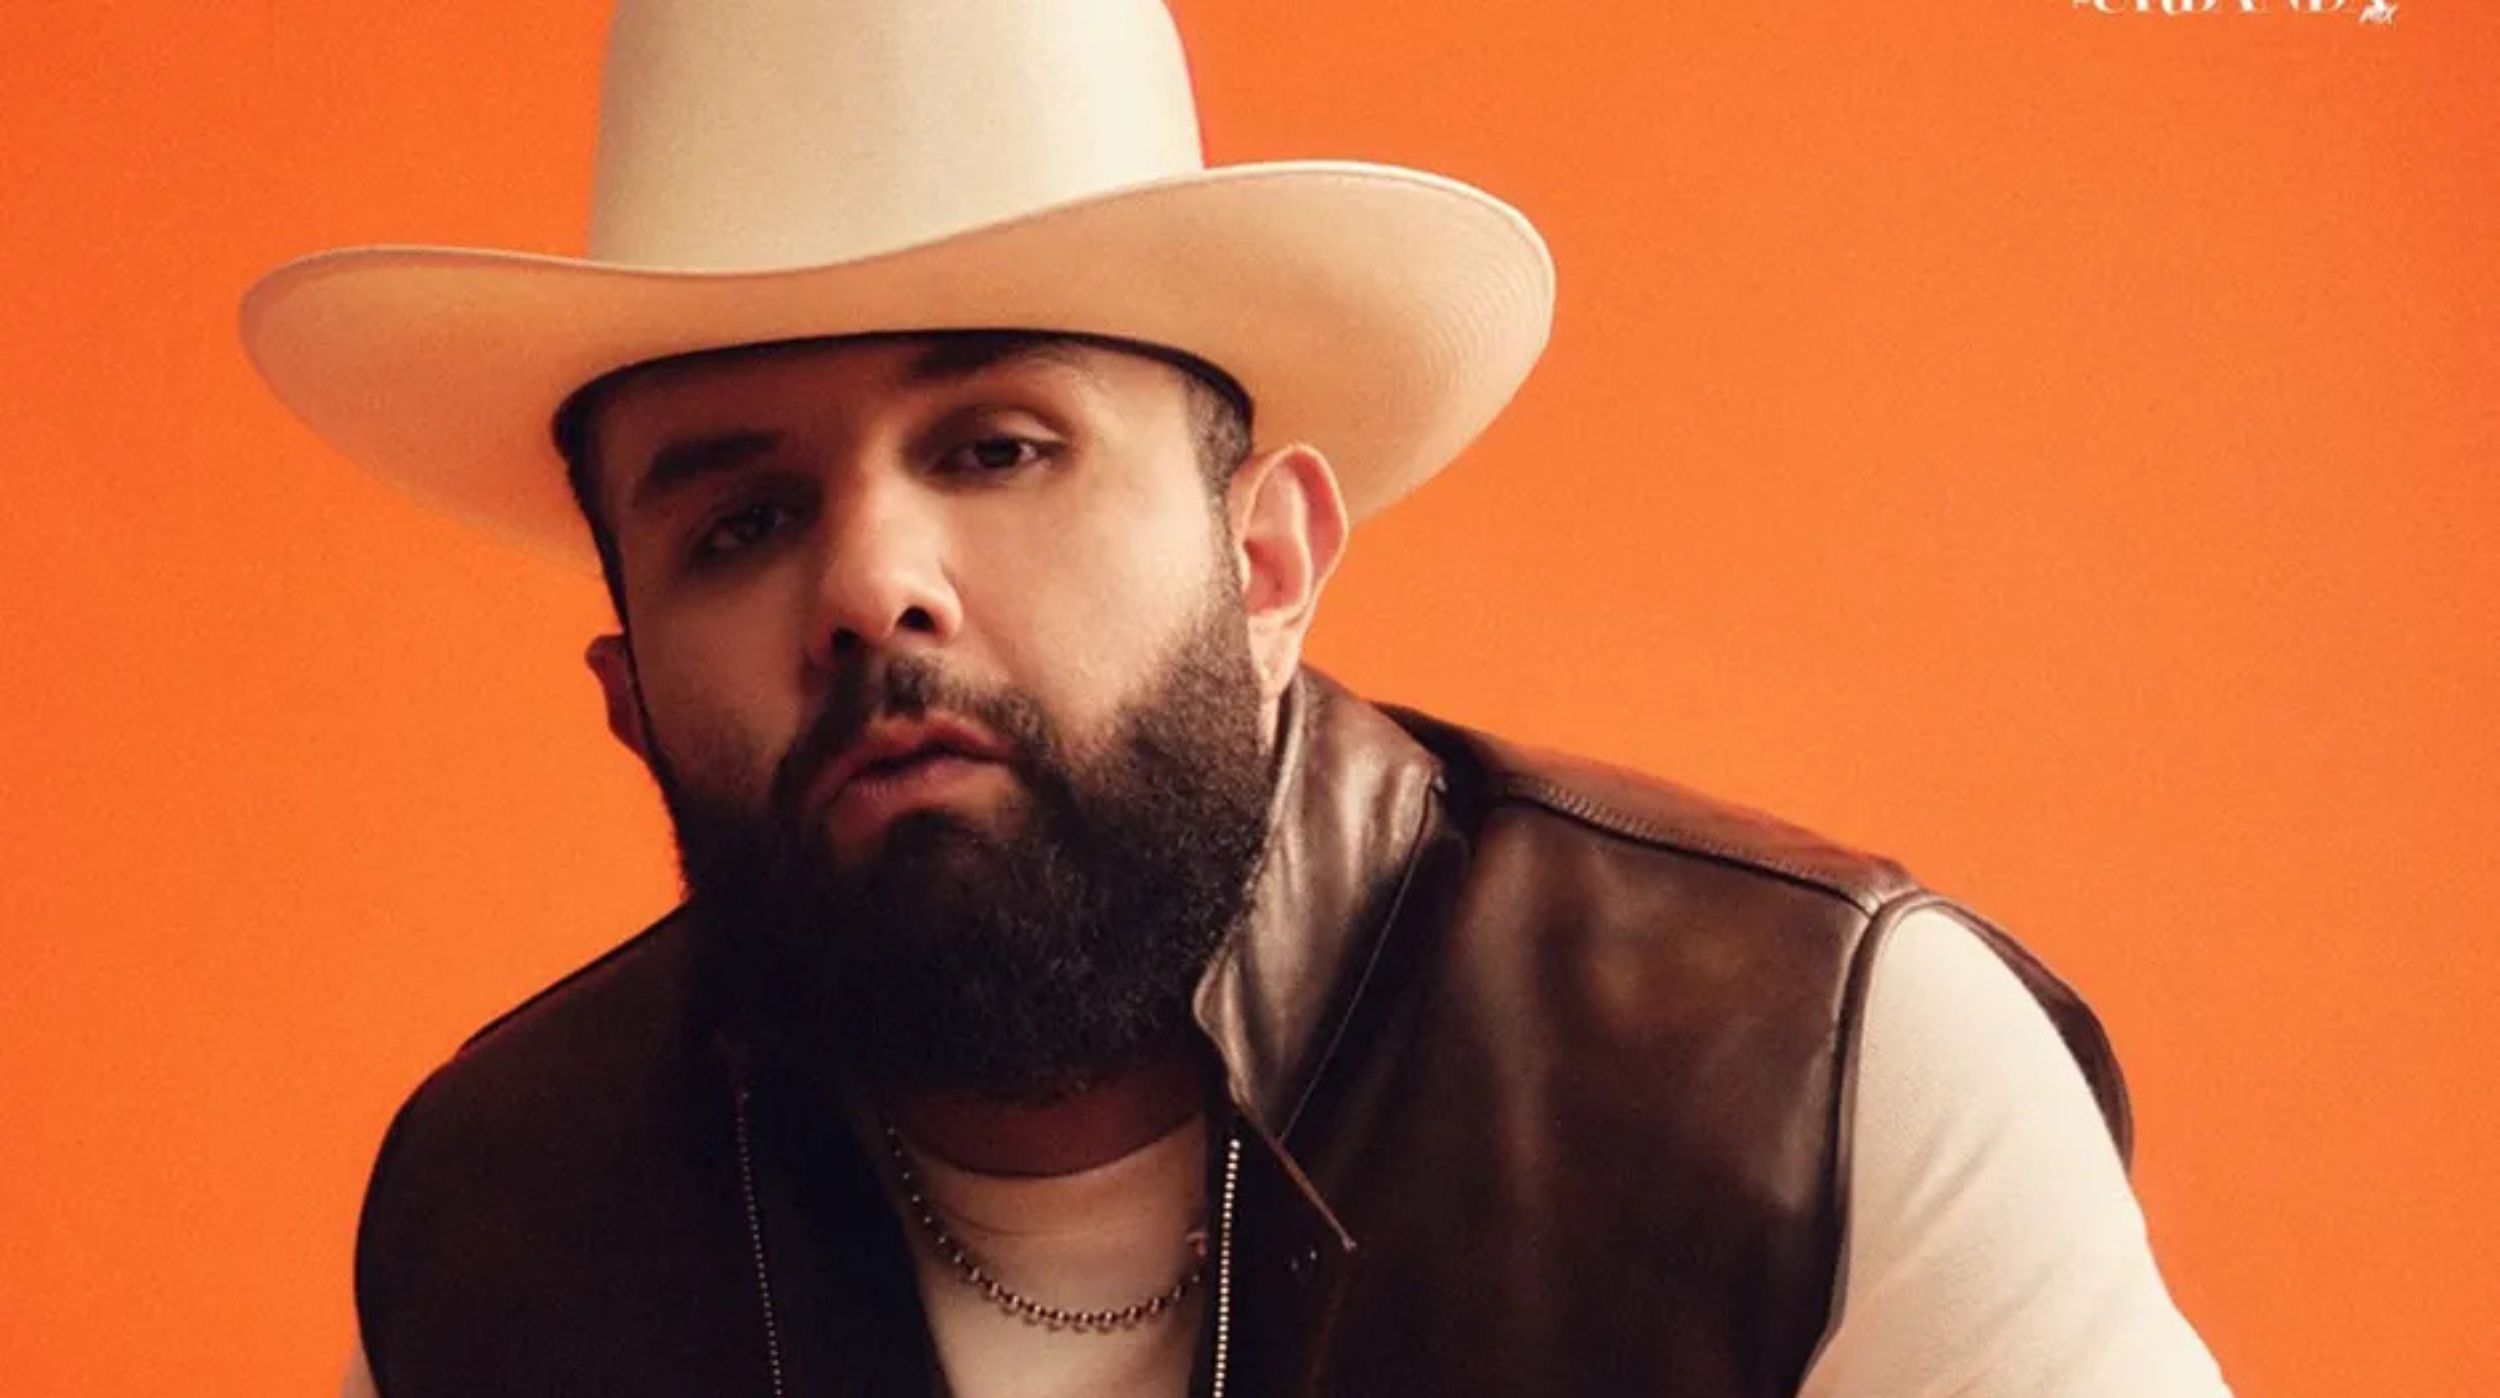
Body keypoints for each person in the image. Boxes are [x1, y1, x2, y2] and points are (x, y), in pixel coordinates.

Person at [242, 2, 2234, 1395]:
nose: (868, 585)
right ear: (630, 697)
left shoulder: (1810, 1079)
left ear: (1267, 560)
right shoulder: (502, 1222)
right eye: (741, 521)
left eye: (998, 447)